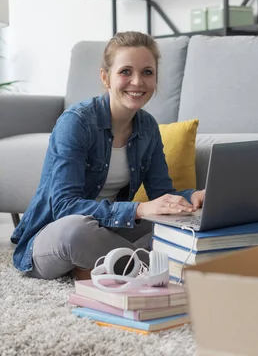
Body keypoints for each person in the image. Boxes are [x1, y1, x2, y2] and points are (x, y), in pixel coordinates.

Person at [11, 31, 205, 280]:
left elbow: (162, 197)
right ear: (106, 77)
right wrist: (139, 209)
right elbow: (64, 207)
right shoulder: (76, 122)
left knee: (180, 225)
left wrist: (194, 197)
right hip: (56, 236)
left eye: (147, 72)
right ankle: (161, 268)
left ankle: (107, 266)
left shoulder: (148, 128)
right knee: (77, 230)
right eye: (125, 72)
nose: (137, 82)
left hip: (110, 230)